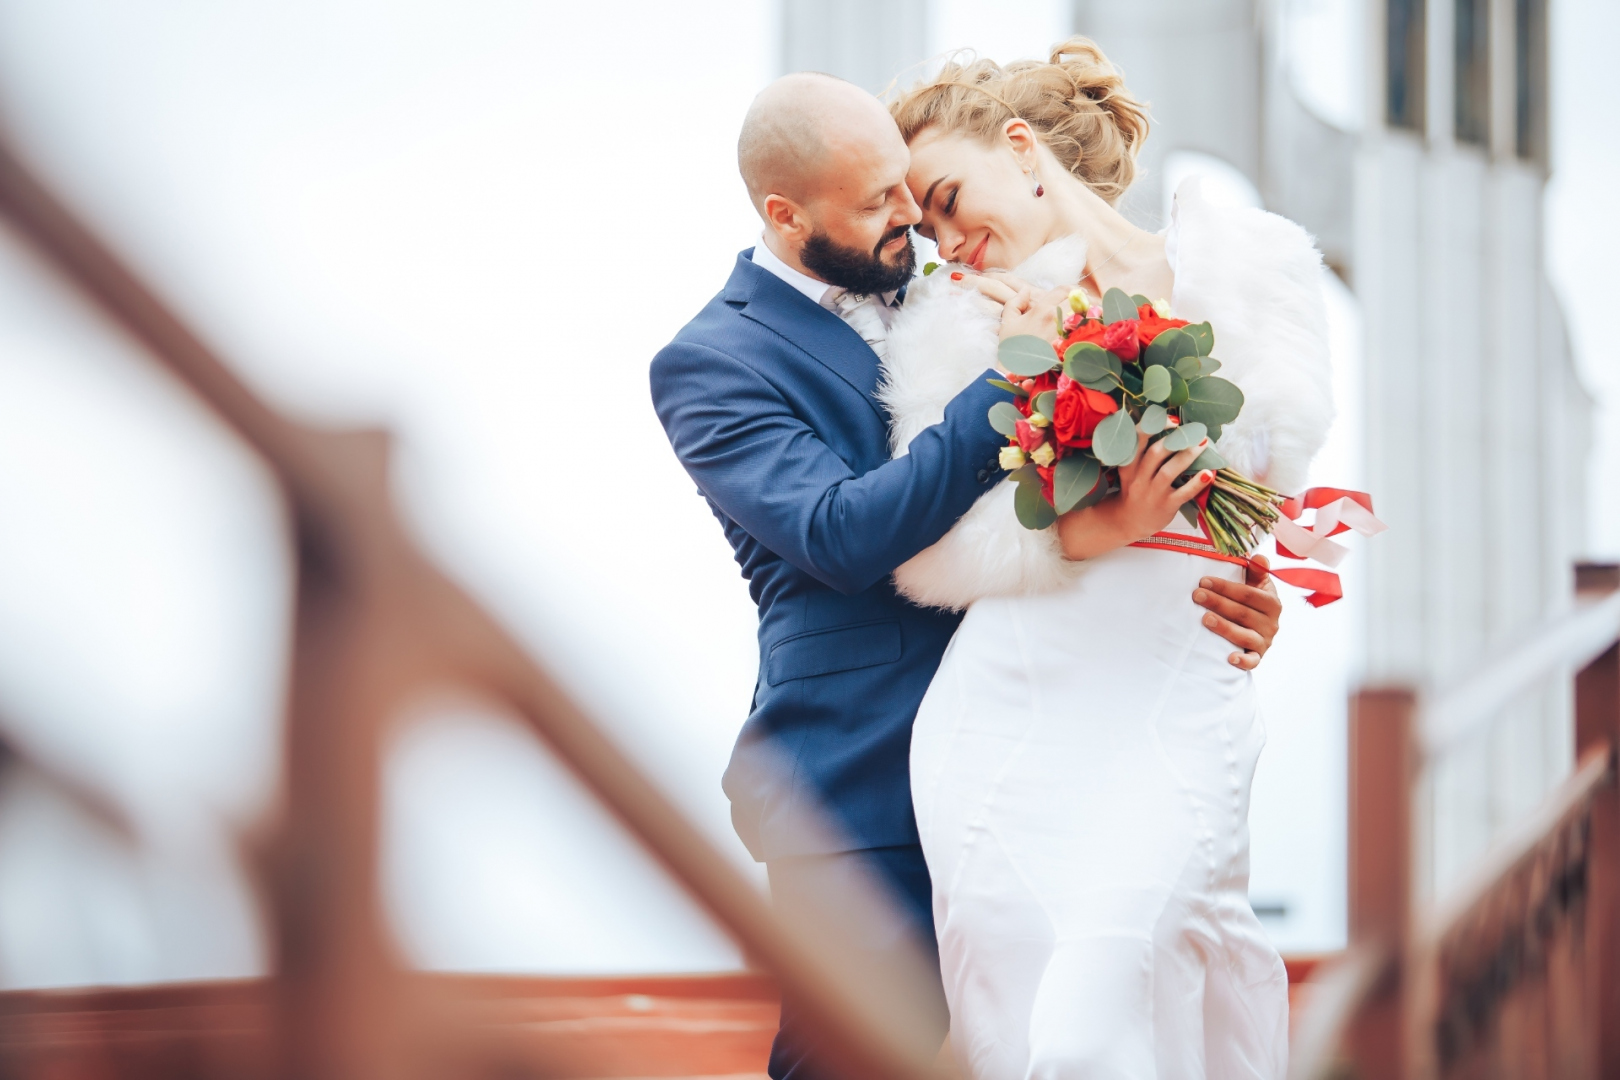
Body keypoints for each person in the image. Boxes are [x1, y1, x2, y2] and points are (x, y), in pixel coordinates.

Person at [649, 70, 1284, 1080]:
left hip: (1060, 737)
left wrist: (1215, 574)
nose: (913, 222)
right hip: (860, 784)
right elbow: (836, 532)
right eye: (877, 203)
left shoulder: (951, 284)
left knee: (1089, 1022)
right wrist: (1021, 368)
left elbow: (1075, 498)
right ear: (786, 212)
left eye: (911, 190)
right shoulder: (711, 362)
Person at [876, 39, 1336, 1079]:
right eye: (926, 227)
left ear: (1024, 148)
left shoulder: (1256, 267)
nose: (948, 242)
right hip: (1007, 710)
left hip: (1173, 691)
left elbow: (1269, 494)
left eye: (948, 198)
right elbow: (927, 554)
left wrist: (1257, 581)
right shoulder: (952, 333)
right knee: (1017, 1028)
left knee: (1099, 1011)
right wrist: (1091, 530)